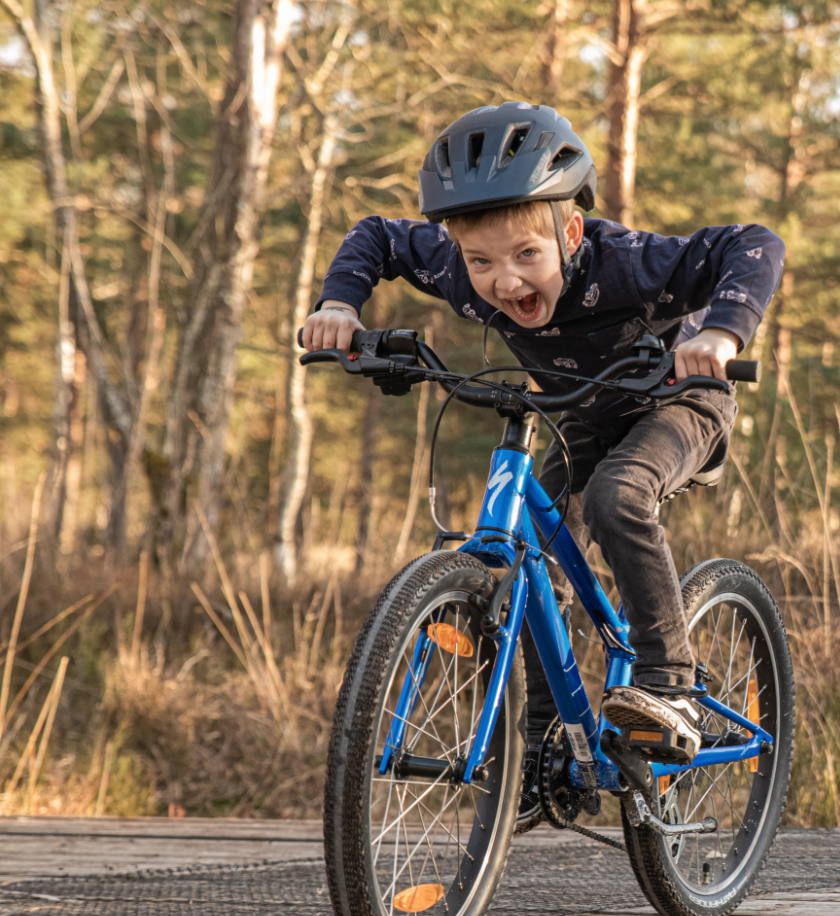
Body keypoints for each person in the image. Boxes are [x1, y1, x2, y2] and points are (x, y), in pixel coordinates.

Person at [299, 101, 785, 822]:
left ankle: (670, 680)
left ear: (570, 232)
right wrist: (340, 303)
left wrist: (719, 335)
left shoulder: (624, 266)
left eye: (528, 255)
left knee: (617, 496)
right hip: (580, 418)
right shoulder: (459, 270)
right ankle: (537, 749)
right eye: (481, 262)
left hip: (679, 404)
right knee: (527, 562)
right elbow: (376, 235)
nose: (502, 281)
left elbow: (754, 242)